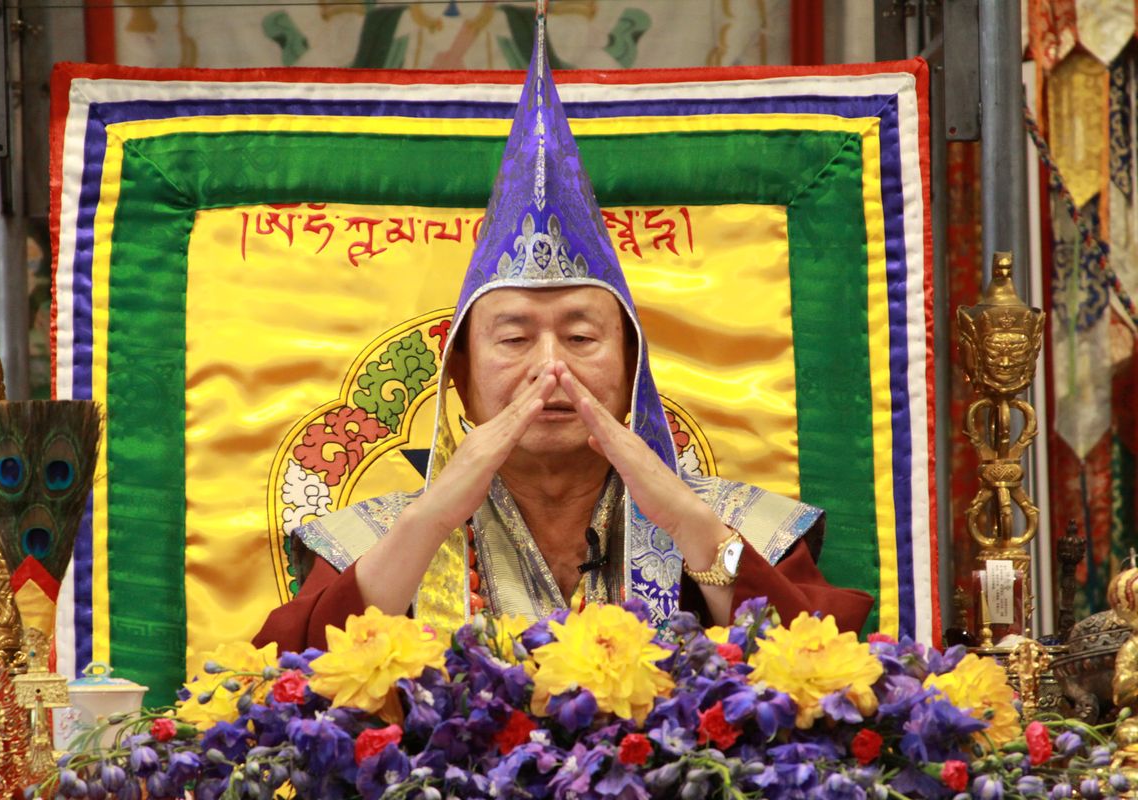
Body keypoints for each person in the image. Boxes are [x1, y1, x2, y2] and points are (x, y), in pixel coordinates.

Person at [253, 9, 872, 653]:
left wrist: (688, 523)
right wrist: (431, 519)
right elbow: (288, 671)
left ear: (632, 365)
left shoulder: (732, 524)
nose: (551, 368)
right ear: (459, 374)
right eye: (514, 339)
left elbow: (817, 661)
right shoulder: (379, 536)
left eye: (580, 338)